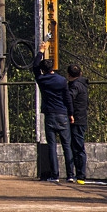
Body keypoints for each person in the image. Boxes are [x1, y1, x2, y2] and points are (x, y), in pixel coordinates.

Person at [33, 44, 74, 182]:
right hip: (62, 114)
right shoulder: (62, 80)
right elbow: (67, 98)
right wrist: (71, 113)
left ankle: (55, 175)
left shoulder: (41, 79)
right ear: (52, 68)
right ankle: (70, 175)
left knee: (52, 146)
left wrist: (40, 51)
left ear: (42, 70)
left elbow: (34, 67)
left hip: (50, 114)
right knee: (66, 145)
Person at [66, 63, 88, 184]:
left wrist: (70, 113)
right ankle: (80, 174)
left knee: (78, 147)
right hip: (82, 118)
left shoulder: (74, 86)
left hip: (76, 120)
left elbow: (69, 98)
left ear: (69, 75)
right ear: (80, 73)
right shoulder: (83, 84)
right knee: (78, 147)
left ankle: (80, 175)